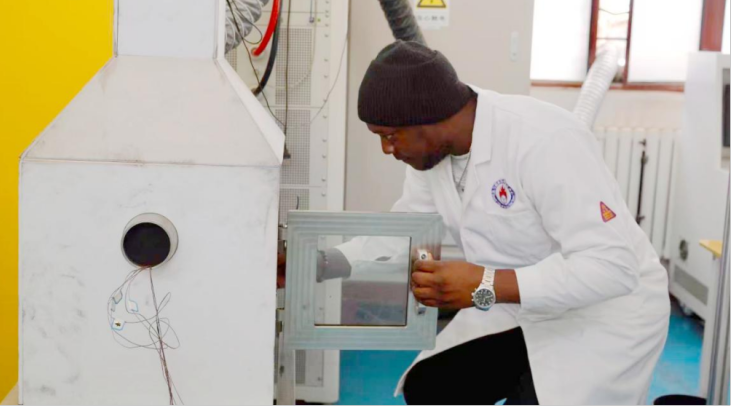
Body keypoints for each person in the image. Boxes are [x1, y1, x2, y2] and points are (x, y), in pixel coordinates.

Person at [281, 40, 671, 406]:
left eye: (389, 136)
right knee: (431, 386)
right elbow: (405, 232)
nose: (386, 149)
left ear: (425, 120)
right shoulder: (431, 159)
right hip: (518, 304)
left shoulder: (544, 139)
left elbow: (612, 267)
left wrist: (484, 284)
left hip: (606, 313)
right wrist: (321, 263)